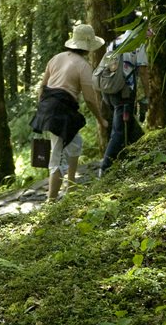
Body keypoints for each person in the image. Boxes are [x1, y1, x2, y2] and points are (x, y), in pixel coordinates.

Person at [32, 22, 108, 202]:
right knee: (57, 155)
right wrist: (101, 119)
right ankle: (51, 200)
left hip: (50, 107)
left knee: (75, 144)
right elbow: (90, 99)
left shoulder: (56, 58)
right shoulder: (84, 66)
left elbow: (42, 87)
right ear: (88, 47)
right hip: (61, 111)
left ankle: (71, 186)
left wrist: (42, 109)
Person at [99, 24, 149, 173]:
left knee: (131, 128)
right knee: (119, 131)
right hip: (125, 92)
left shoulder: (115, 42)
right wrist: (148, 94)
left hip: (110, 91)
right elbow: (143, 70)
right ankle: (105, 168)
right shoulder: (137, 43)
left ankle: (139, 159)